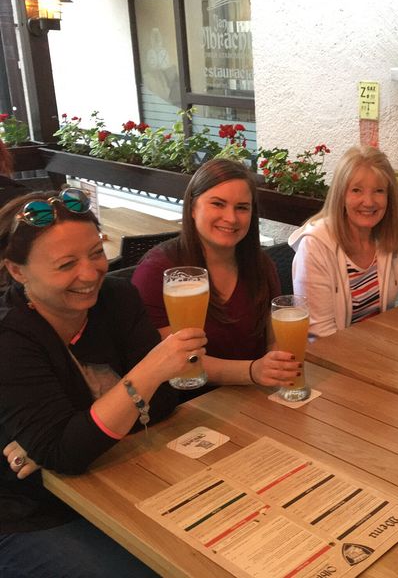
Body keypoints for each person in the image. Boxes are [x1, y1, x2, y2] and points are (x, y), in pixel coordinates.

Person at [0, 188, 207, 576]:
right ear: (17, 271)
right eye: (66, 264)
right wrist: (146, 372)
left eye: (96, 252)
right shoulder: (11, 336)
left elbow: (164, 402)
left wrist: (72, 433)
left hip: (115, 474)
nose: (91, 272)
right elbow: (67, 454)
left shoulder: (117, 298)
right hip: (32, 511)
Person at [132, 158, 300, 391]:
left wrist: (275, 367)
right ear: (192, 207)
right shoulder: (157, 272)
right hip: (187, 404)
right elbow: (173, 360)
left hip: (253, 396)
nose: (231, 218)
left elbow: (273, 340)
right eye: (218, 204)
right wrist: (252, 371)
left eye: (242, 207)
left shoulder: (260, 264)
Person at [289, 145, 398, 338]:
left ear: (389, 197)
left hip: (377, 348)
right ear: (341, 195)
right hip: (332, 359)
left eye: (378, 191)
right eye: (356, 190)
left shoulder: (392, 238)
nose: (368, 202)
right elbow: (320, 337)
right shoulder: (315, 245)